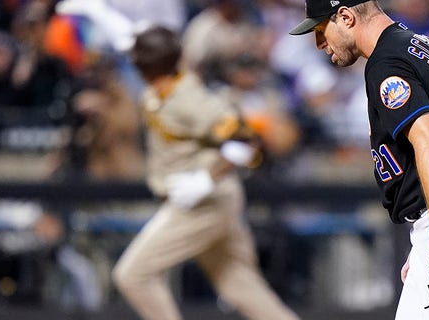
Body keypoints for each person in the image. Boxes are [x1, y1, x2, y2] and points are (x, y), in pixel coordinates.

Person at [289, 1, 429, 319]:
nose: (320, 43)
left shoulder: (387, 61)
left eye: (321, 29)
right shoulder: (415, 44)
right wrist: (428, 238)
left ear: (346, 17)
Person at [111, 25, 300, 320]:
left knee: (132, 275)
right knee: (239, 285)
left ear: (142, 65)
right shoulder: (167, 78)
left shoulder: (190, 100)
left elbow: (247, 138)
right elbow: (142, 46)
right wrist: (103, 16)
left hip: (204, 202)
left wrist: (205, 179)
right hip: (213, 201)